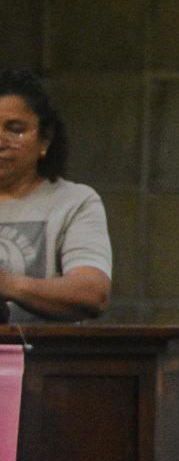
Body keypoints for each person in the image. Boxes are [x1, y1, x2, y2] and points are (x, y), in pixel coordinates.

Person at [0, 68, 111, 323]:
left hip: (48, 359)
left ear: (45, 140)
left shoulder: (75, 202)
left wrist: (8, 286)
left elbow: (93, 292)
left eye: (15, 129)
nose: (0, 140)